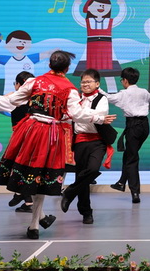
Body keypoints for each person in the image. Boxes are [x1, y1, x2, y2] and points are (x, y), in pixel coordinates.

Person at [0, 51, 116, 239]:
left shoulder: (35, 82)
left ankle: (37, 221)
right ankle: (36, 223)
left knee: (29, 172)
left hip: (30, 130)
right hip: (51, 135)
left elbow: (12, 101)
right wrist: (98, 118)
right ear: (67, 68)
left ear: (50, 65)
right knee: (41, 177)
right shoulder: (70, 89)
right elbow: (77, 114)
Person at [102, 67, 150, 204]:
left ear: (125, 80)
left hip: (133, 126)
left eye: (121, 80)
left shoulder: (124, 93)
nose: (121, 82)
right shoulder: (143, 91)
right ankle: (121, 182)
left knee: (132, 159)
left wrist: (97, 89)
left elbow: (108, 97)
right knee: (129, 155)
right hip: (145, 127)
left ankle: (135, 192)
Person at [61, 69, 117, 224]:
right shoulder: (76, 99)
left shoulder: (102, 99)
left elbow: (99, 117)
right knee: (81, 175)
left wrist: (78, 113)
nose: (85, 84)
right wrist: (81, 114)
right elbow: (73, 116)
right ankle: (86, 212)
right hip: (80, 140)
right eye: (83, 82)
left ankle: (70, 192)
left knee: (92, 170)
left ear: (97, 84)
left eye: (88, 82)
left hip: (97, 141)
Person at [72, 0, 126, 92]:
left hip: (106, 52)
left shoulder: (110, 21)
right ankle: (88, 93)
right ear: (89, 8)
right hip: (91, 51)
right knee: (89, 75)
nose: (101, 8)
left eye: (104, 6)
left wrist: (122, 5)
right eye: (98, 5)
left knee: (109, 75)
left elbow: (120, 17)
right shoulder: (88, 21)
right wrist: (76, 5)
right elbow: (78, 17)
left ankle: (112, 93)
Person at [0, 30, 53, 95]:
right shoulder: (7, 60)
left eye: (24, 42)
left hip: (27, 94)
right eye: (18, 41)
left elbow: (46, 54)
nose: (21, 44)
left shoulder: (30, 59)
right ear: (7, 45)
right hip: (9, 93)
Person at [6, 70, 35, 213]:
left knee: (18, 167)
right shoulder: (38, 100)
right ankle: (27, 200)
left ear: (18, 85)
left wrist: (9, 95)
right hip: (36, 139)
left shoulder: (14, 100)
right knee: (27, 168)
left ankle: (20, 194)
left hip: (20, 139)